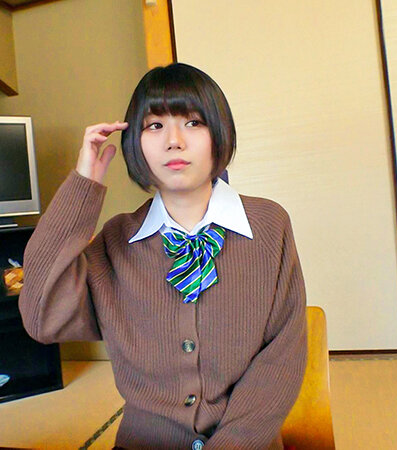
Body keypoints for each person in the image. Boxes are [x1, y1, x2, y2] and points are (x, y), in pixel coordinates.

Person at [19, 63, 307, 450]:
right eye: (155, 125)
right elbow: (41, 318)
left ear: (219, 133)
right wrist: (82, 186)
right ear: (135, 143)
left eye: (193, 123)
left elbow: (281, 358)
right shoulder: (116, 241)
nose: (174, 141)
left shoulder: (269, 226)